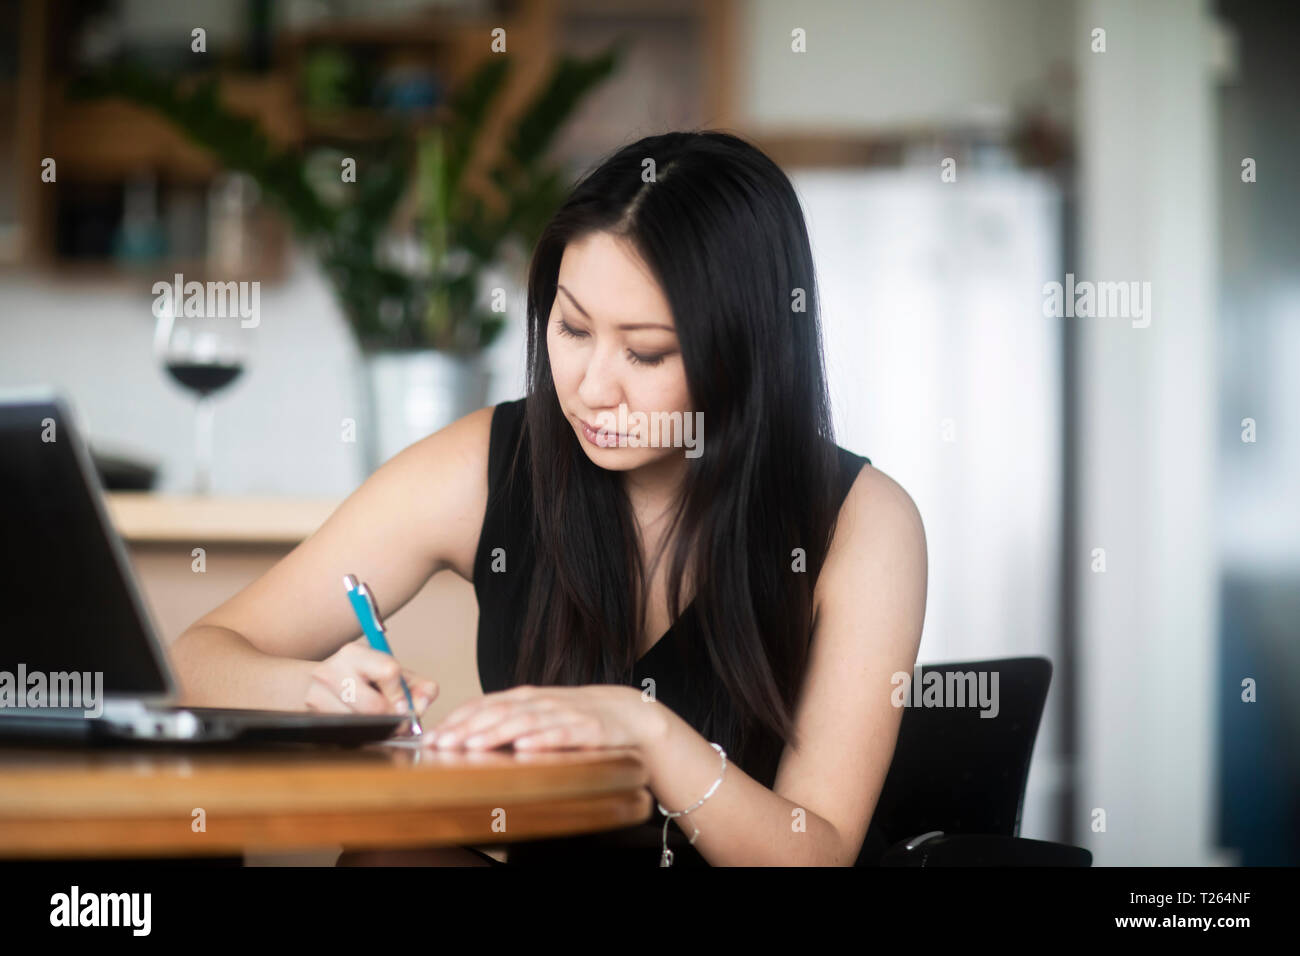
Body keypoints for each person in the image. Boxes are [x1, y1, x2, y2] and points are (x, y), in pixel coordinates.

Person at [170, 130, 927, 867]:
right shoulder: (486, 463)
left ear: (749, 349)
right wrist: (312, 688)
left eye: (646, 351)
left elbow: (815, 852)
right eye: (571, 328)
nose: (592, 388)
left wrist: (645, 730)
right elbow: (196, 660)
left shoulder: (863, 522)